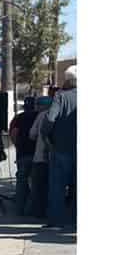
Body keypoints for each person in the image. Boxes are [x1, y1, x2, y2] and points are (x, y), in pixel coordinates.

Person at [42, 78, 77, 229]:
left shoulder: (61, 96)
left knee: (57, 186)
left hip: (61, 148)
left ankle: (56, 221)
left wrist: (46, 136)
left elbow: (50, 118)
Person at [8, 96, 41, 220]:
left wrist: (18, 146)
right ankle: (33, 209)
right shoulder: (40, 116)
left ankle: (20, 208)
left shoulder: (19, 118)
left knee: (21, 182)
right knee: (36, 183)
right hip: (37, 154)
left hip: (22, 154)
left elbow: (13, 134)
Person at [26, 94, 53, 221]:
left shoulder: (42, 116)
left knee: (38, 186)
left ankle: (38, 212)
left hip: (40, 157)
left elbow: (32, 134)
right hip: (56, 157)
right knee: (52, 186)